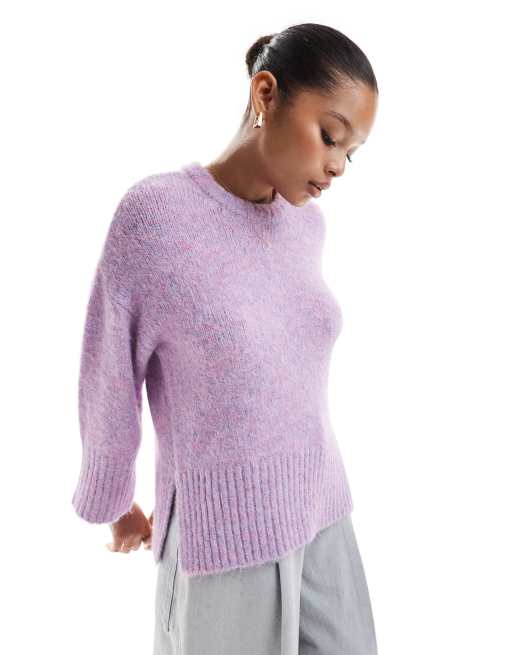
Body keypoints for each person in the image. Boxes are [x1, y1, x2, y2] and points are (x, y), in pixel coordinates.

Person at [71, 22, 379, 655]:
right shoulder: (156, 217)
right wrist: (114, 498)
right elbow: (110, 367)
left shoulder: (306, 227)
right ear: (265, 95)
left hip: (324, 513)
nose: (337, 166)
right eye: (330, 136)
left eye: (351, 153)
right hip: (223, 534)